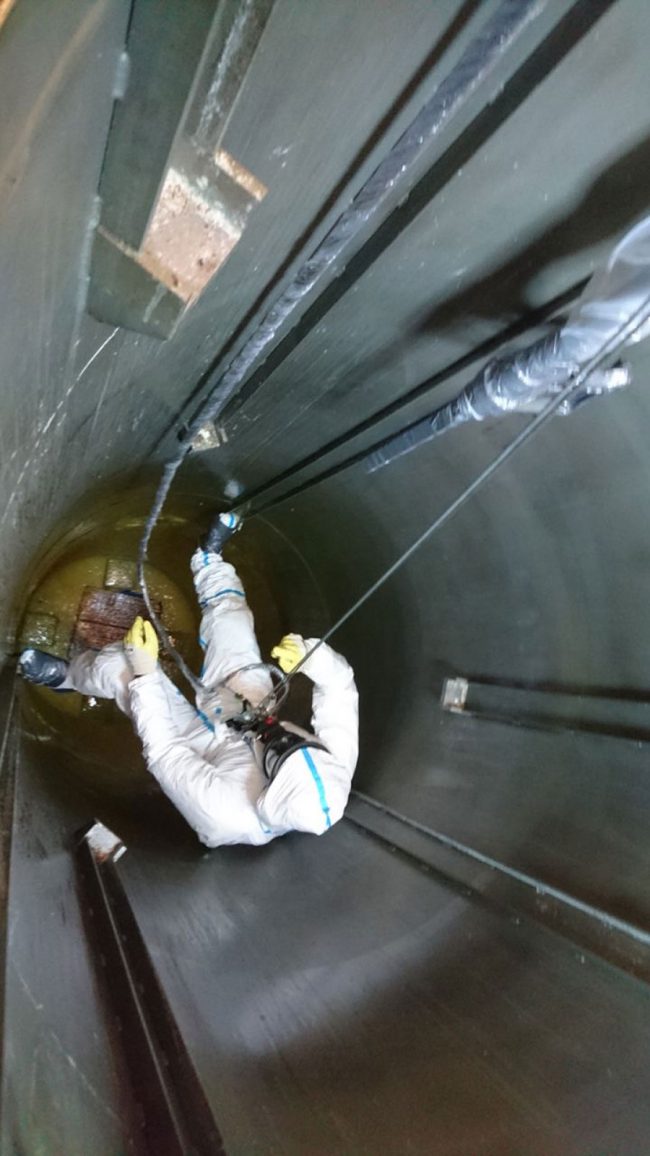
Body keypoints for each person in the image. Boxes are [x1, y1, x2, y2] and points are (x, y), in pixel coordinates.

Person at [18, 514, 359, 848]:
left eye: (278, 753)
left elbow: (165, 752)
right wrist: (313, 657)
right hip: (251, 715)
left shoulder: (225, 815)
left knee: (118, 666)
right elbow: (340, 687)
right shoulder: (333, 764)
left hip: (197, 747)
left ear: (269, 789)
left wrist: (145, 673)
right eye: (294, 743)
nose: (281, 739)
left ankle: (66, 676)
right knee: (232, 623)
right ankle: (208, 559)